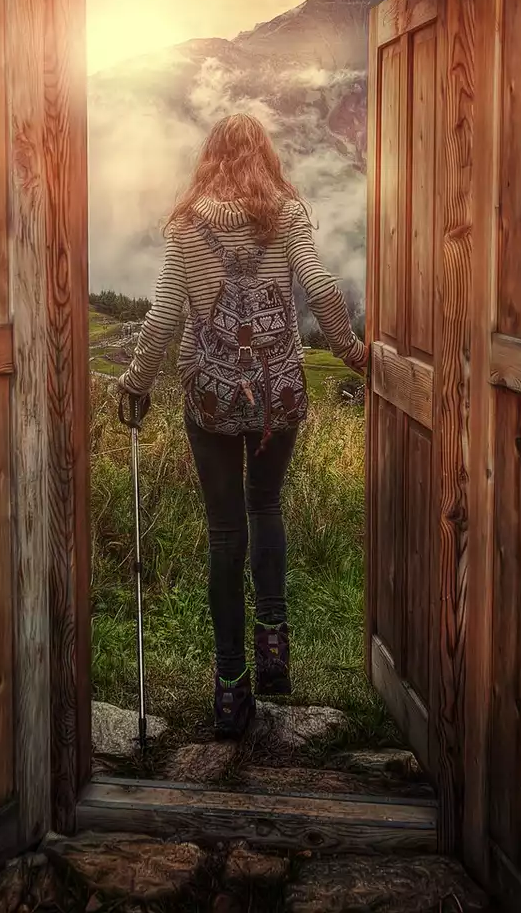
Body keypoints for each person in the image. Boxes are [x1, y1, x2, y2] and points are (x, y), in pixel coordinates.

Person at [114, 113, 368, 739]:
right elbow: (324, 289)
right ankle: (275, 646)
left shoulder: (187, 226)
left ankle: (231, 688)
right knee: (267, 506)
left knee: (225, 531)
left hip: (213, 401)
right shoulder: (285, 213)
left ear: (209, 158)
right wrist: (354, 354)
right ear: (267, 157)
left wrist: (136, 383)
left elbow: (166, 315)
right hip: (279, 395)